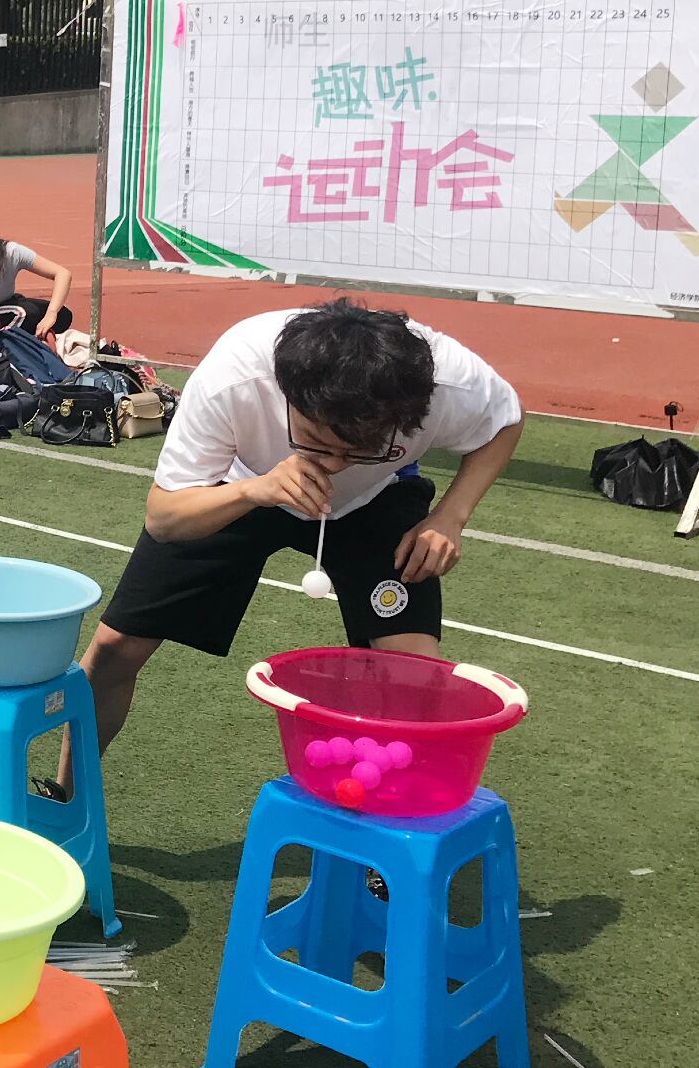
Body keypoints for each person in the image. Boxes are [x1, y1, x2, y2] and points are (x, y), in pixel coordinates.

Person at [59, 299, 522, 792]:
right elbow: (164, 517)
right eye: (317, 443)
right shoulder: (235, 376)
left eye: (359, 448)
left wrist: (450, 516)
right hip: (242, 482)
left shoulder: (446, 382)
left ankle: (390, 821)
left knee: (413, 671)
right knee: (115, 647)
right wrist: (253, 491)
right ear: (287, 395)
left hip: (375, 497)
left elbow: (505, 421)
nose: (334, 465)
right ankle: (68, 797)